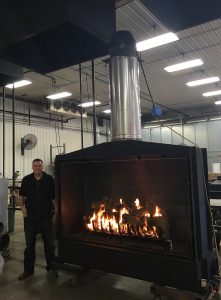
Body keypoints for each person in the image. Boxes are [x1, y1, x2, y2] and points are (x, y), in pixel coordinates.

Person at [18, 158, 58, 281]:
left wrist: (56, 211)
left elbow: (54, 197)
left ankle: (51, 268)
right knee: (29, 245)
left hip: (46, 217)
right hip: (30, 218)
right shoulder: (26, 180)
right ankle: (28, 270)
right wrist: (23, 209)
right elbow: (21, 195)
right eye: (35, 166)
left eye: (39, 166)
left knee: (49, 245)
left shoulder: (49, 180)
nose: (37, 168)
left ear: (42, 167)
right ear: (32, 167)